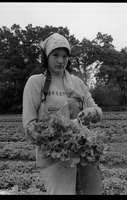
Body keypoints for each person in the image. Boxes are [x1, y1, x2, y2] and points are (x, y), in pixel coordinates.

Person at [22, 33, 103, 195]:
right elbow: (29, 127)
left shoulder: (77, 83)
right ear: (46, 57)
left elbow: (98, 112)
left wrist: (89, 112)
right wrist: (60, 138)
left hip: (83, 156)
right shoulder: (36, 82)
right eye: (55, 55)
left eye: (65, 56)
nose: (60, 61)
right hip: (54, 158)